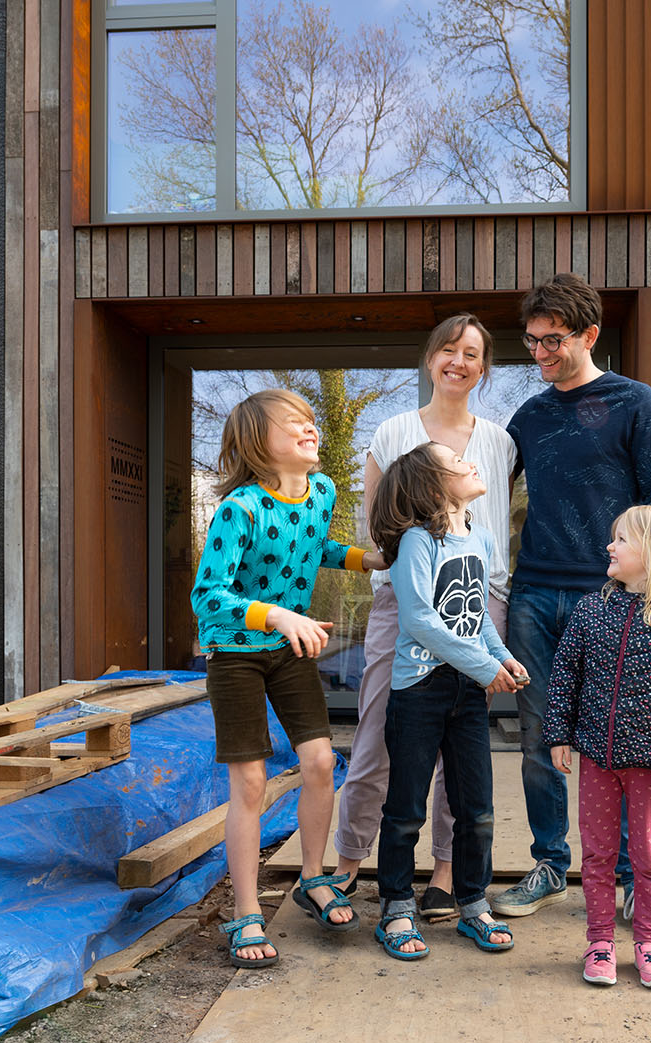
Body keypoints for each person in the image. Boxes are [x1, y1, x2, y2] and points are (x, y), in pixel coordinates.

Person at [493, 273, 651, 933]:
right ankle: (548, 863)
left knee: (619, 741)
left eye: (554, 341)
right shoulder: (529, 416)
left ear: (589, 335)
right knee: (542, 736)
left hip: (611, 597)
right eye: (532, 341)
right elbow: (480, 488)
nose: (540, 353)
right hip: (535, 594)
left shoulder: (634, 402)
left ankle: (634, 880)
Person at [190, 387, 384, 968]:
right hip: (237, 652)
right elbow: (208, 597)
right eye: (292, 423)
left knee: (322, 762)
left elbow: (313, 547)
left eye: (309, 421)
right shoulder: (241, 508)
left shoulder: (321, 491)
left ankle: (312, 877)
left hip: (292, 647)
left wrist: (365, 559)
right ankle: (245, 911)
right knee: (249, 782)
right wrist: (276, 613)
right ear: (259, 444)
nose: (309, 429)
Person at [332, 313, 516, 922]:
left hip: (478, 599)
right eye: (449, 349)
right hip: (404, 598)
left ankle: (444, 874)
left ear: (483, 368)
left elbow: (486, 525)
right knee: (378, 727)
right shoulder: (392, 431)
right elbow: (377, 520)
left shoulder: (499, 440)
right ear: (430, 358)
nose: (459, 361)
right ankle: (350, 861)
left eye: (472, 353)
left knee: (460, 745)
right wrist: (405, 570)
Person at [365, 443, 528, 959]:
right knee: (406, 808)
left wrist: (501, 658)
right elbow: (419, 620)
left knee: (476, 809)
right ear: (435, 486)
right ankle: (395, 906)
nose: (470, 462)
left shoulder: (478, 535)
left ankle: (472, 903)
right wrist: (483, 668)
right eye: (456, 461)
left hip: (467, 693)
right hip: (419, 690)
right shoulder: (418, 541)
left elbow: (475, 616)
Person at [545, 506, 651, 988]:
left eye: (621, 539)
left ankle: (648, 946)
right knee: (597, 854)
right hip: (598, 758)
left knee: (647, 857)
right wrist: (558, 732)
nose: (609, 547)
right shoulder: (592, 609)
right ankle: (599, 941)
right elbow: (565, 676)